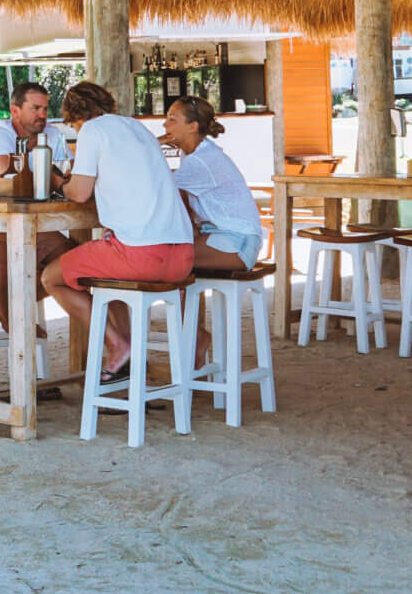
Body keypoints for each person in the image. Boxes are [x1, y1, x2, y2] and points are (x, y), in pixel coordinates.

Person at [39, 80, 193, 380]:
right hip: (182, 257)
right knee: (110, 276)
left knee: (51, 278)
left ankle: (118, 345)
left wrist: (58, 181)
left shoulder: (92, 131)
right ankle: (127, 357)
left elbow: (80, 194)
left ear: (74, 116)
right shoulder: (137, 128)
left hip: (142, 257)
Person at [0, 80, 70, 333]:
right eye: (35, 108)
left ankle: (11, 304)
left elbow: (71, 173)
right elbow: (7, 172)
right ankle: (16, 325)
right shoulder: (0, 132)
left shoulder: (54, 134)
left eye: (45, 109)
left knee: (73, 260)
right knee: (3, 263)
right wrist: (53, 175)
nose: (42, 115)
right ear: (15, 111)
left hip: (35, 222)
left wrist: (57, 177)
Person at [163, 95, 264, 272]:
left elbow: (158, 188)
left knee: (156, 260)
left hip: (237, 242)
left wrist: (152, 146)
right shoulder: (196, 153)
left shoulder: (201, 160)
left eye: (172, 119)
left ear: (192, 127)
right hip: (219, 235)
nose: (165, 125)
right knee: (154, 256)